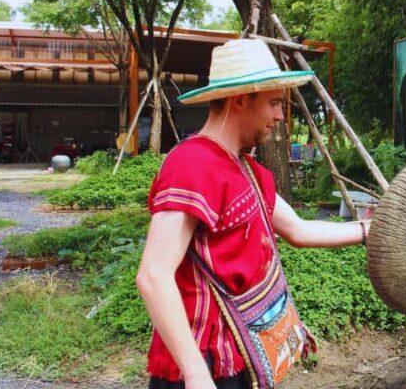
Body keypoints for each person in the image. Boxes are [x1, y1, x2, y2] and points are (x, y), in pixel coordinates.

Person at [136, 38, 371, 389]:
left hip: (241, 351)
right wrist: (196, 373)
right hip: (202, 361)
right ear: (240, 99)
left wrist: (370, 230)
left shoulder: (246, 170)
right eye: (274, 103)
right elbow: (154, 275)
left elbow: (299, 230)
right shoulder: (192, 164)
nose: (279, 116)